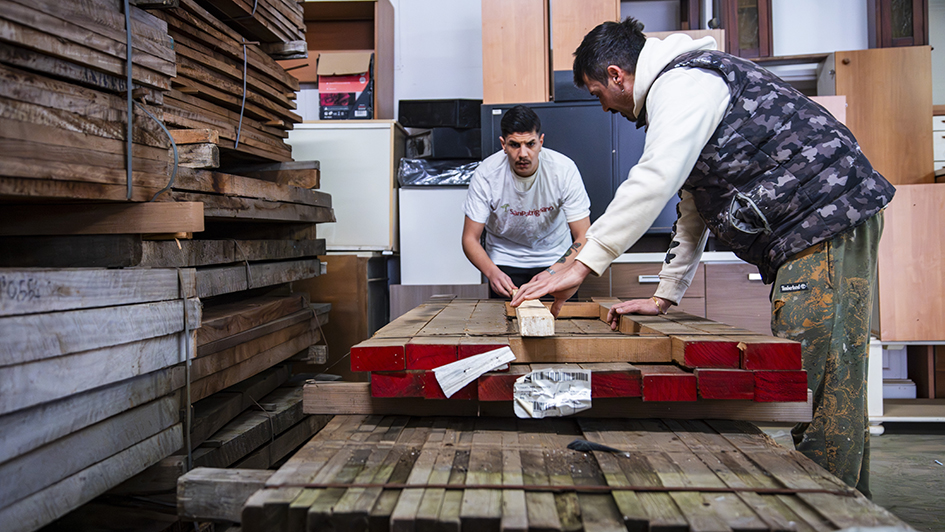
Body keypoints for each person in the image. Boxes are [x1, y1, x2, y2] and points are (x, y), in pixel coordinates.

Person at [511, 18, 895, 496]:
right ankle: (849, 503)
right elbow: (694, 204)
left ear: (616, 75)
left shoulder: (684, 83)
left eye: (598, 93)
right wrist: (664, 295)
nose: (605, 107)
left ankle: (832, 511)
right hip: (816, 227)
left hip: (824, 222)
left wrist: (582, 263)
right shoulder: (685, 85)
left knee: (816, 382)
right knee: (828, 380)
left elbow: (654, 178)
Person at [462, 105, 592, 298]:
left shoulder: (564, 170)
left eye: (530, 144)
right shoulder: (486, 174)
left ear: (541, 142)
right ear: (503, 144)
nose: (523, 154)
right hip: (504, 262)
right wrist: (492, 272)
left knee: (563, 317)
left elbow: (584, 236)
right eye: (514, 145)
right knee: (504, 318)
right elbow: (470, 238)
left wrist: (552, 272)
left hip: (556, 259)